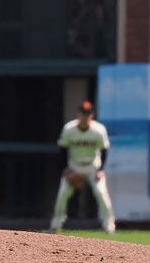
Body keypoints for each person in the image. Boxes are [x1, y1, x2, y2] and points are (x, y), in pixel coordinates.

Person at [50, 100, 116, 235]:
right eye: (83, 113)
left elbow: (104, 150)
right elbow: (62, 149)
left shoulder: (99, 130)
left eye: (87, 114)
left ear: (91, 115)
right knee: (62, 195)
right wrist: (66, 169)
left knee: (102, 194)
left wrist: (101, 169)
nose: (85, 116)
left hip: (92, 167)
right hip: (74, 167)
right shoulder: (69, 129)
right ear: (78, 114)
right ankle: (55, 225)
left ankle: (109, 226)